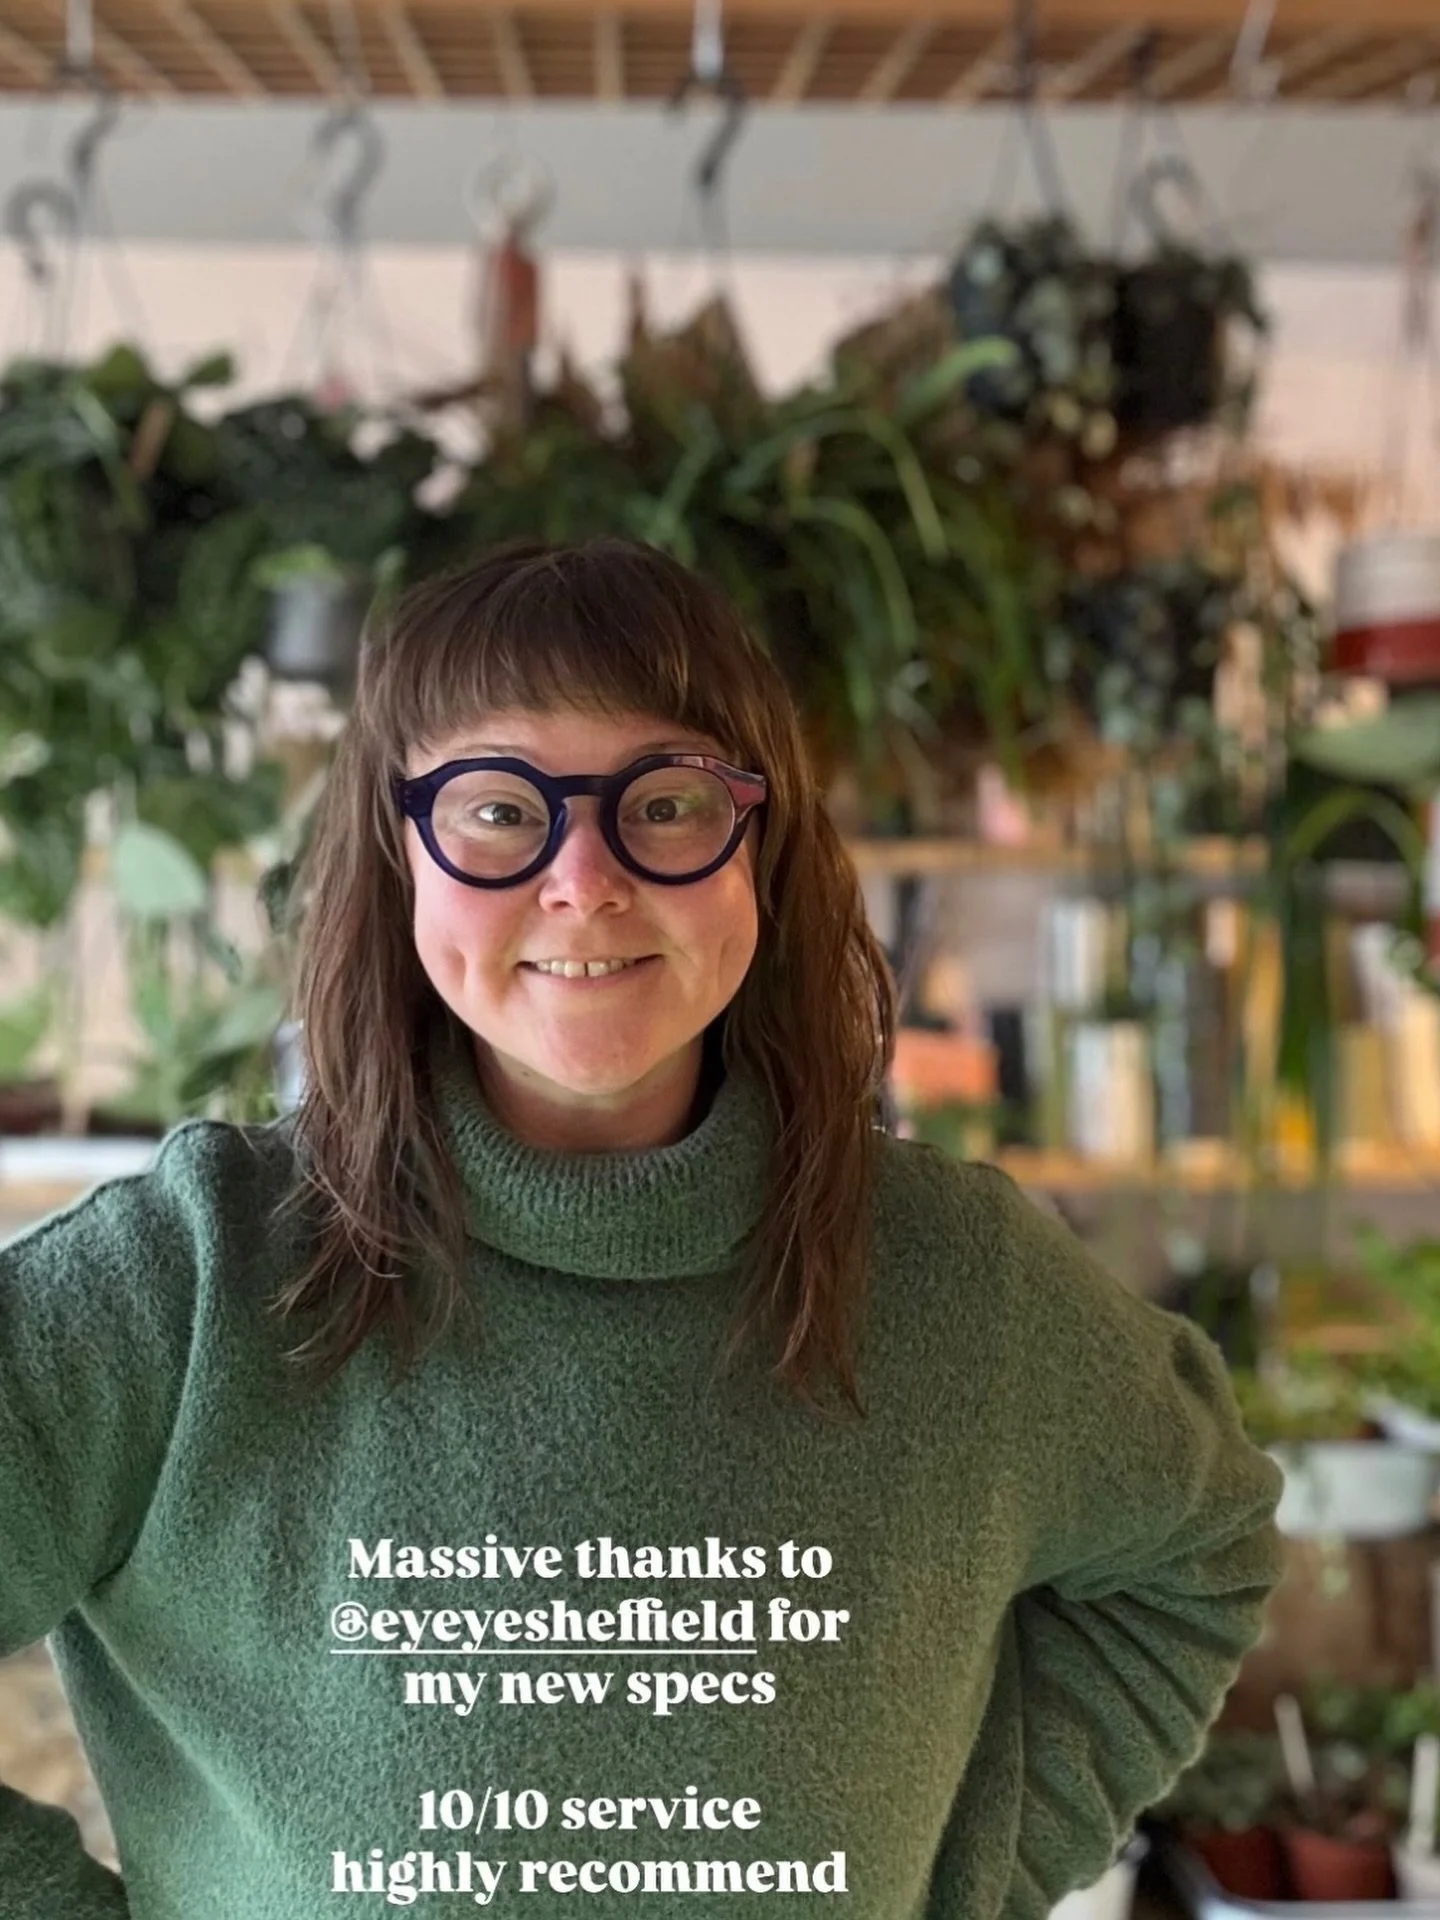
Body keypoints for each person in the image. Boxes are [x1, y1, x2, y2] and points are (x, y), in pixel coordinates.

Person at [0, 536, 1283, 1919]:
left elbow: (1199, 1549)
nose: (585, 877)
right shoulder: (186, 1285)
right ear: (399, 853)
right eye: (498, 808)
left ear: (762, 847)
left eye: (664, 803)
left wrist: (962, 1873)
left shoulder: (956, 1281)